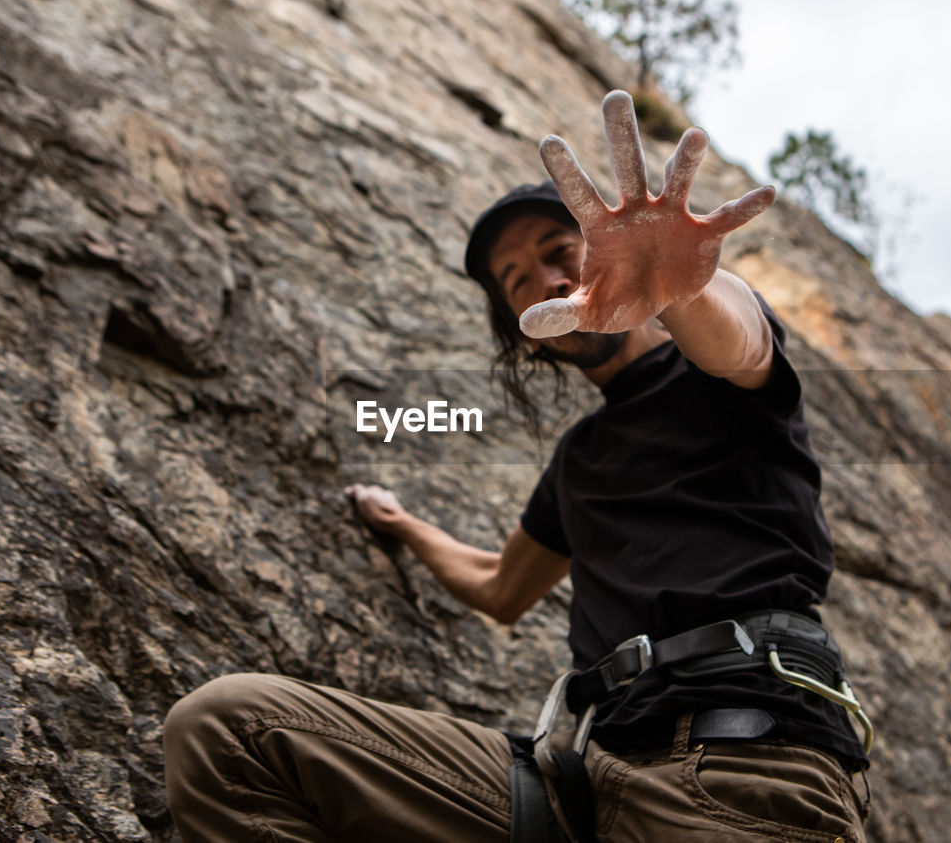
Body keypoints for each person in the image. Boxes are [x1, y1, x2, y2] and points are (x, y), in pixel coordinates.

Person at [164, 91, 871, 843]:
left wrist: (678, 287)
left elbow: (743, 341)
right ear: (530, 338)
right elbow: (501, 586)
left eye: (558, 251)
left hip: (742, 768)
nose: (544, 279)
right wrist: (401, 523)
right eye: (517, 280)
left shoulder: (716, 377)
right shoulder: (578, 463)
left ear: (604, 249)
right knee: (232, 729)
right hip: (579, 785)